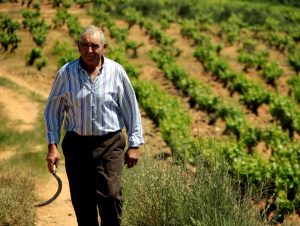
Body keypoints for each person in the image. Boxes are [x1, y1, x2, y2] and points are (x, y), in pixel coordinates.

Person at [44, 25, 144, 226]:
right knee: (83, 199)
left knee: (111, 195)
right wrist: (52, 146)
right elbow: (53, 110)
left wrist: (134, 144)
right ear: (78, 47)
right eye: (84, 45)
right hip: (77, 145)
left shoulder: (116, 72)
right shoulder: (66, 73)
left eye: (94, 46)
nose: (89, 50)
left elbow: (130, 108)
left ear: (104, 47)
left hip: (110, 143)